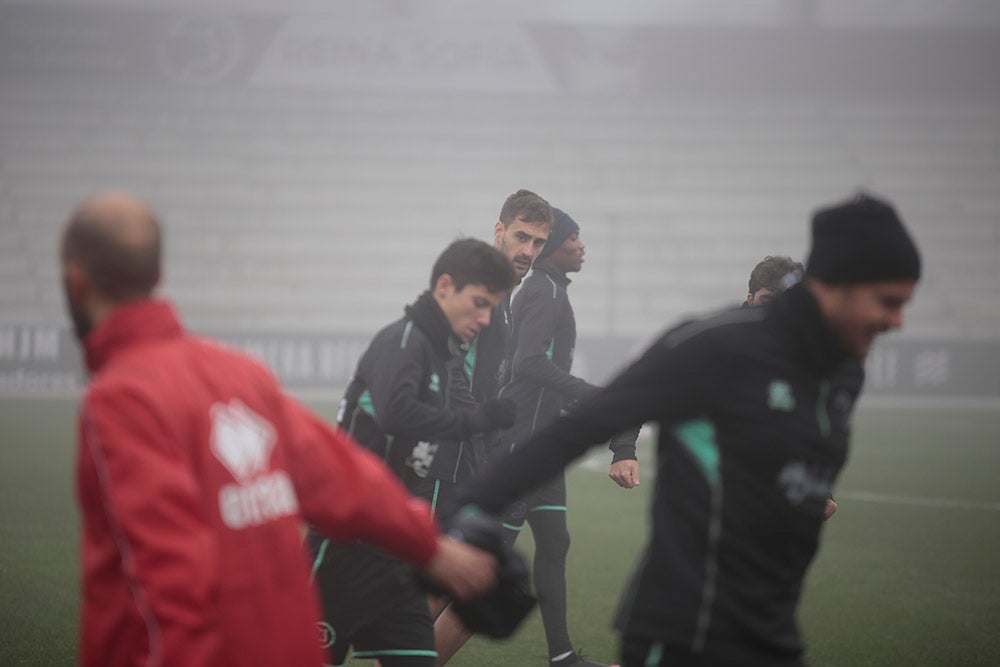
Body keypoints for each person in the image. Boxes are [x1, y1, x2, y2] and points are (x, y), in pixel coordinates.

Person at [447, 192, 921, 667]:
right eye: (887, 301)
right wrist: (470, 512)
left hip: (775, 634)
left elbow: (770, 451)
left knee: (555, 544)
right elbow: (578, 428)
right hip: (684, 630)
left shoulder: (842, 372)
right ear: (836, 284)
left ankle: (561, 655)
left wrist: (803, 489)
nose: (896, 322)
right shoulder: (710, 345)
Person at [60, 191, 499, 667]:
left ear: (76, 283)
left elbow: (166, 579)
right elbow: (345, 474)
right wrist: (429, 544)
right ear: (158, 277)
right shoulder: (239, 372)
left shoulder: (118, 400)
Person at [309, 238, 519, 666]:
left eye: (491, 309)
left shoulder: (439, 355)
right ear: (444, 286)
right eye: (478, 303)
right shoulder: (403, 341)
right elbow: (395, 413)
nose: (483, 318)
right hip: (342, 549)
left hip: (391, 555)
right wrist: (475, 421)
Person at [498, 208, 639, 667]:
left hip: (545, 443)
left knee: (555, 543)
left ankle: (562, 658)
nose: (582, 246)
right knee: (484, 560)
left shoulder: (552, 288)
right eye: (574, 237)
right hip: (521, 443)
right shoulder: (542, 289)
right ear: (555, 244)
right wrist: (593, 395)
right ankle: (408, 647)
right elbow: (528, 363)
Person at [434, 188, 553, 664]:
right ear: (499, 230)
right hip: (454, 461)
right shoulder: (479, 288)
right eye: (521, 236)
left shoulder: (504, 296)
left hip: (476, 462)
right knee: (457, 589)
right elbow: (448, 373)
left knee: (464, 591)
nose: (528, 250)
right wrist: (486, 437)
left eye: (538, 242)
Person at [742, 255, 838, 521]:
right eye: (766, 301)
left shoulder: (808, 352)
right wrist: (625, 452)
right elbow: (653, 388)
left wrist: (822, 489)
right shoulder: (716, 342)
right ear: (750, 299)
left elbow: (807, 423)